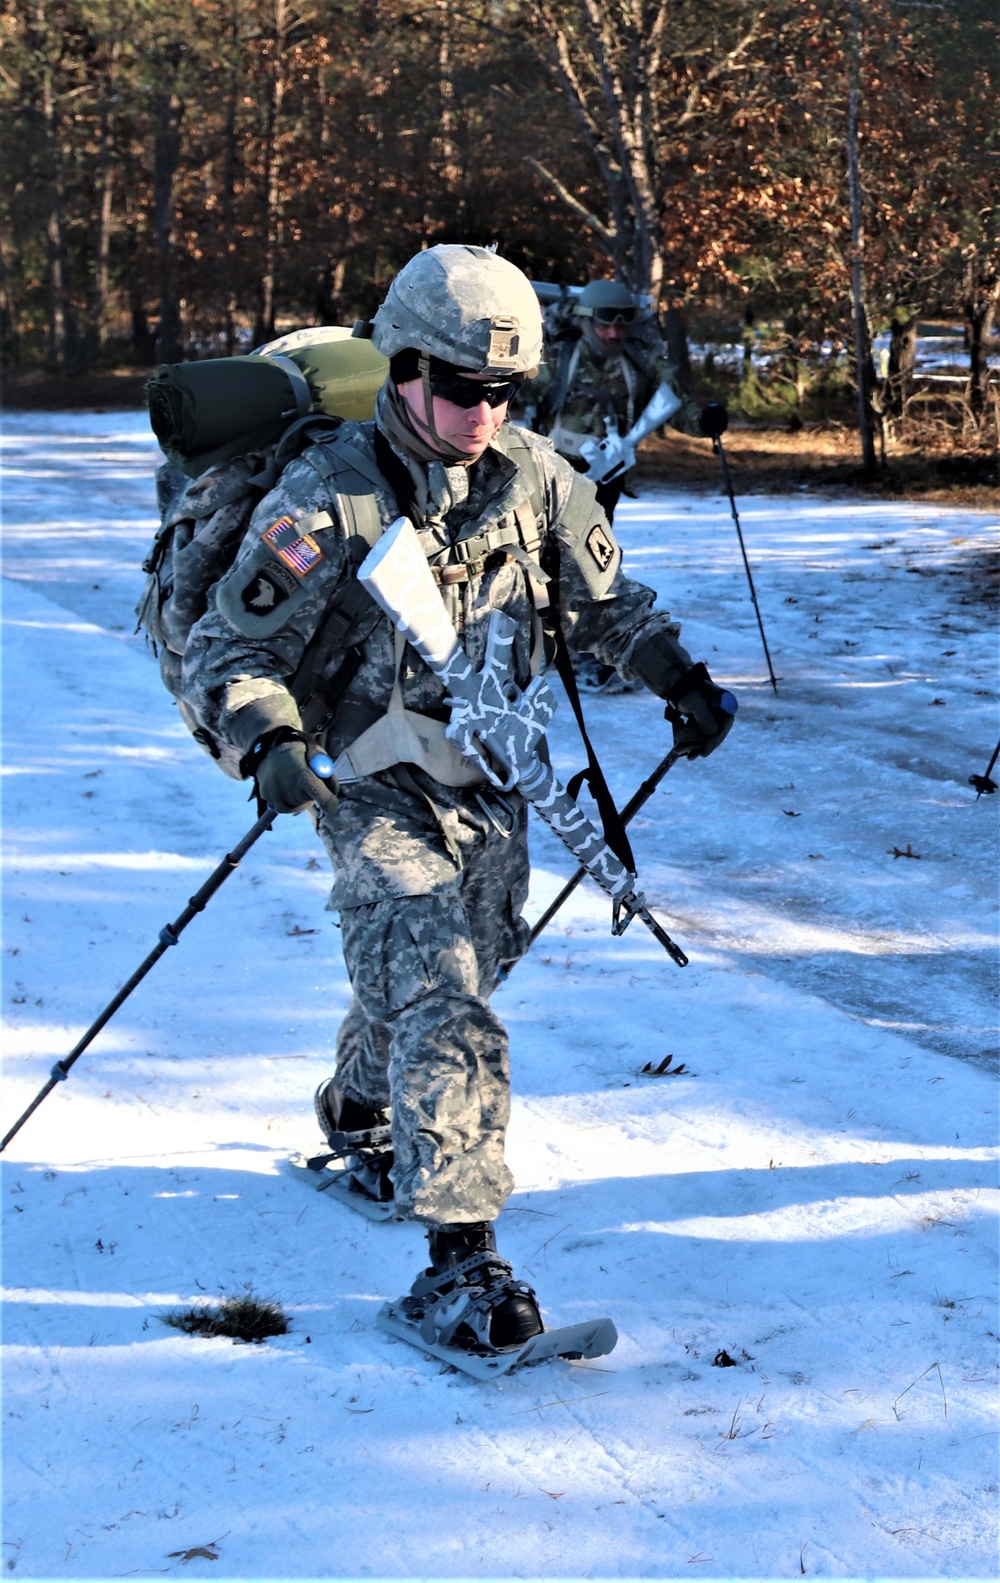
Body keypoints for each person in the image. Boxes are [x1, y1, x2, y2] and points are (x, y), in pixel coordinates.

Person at [181, 244, 734, 1359]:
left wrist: (676, 674)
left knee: (462, 967)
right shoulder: (330, 493)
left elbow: (603, 603)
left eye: (505, 389)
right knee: (445, 996)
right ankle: (462, 1261)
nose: (484, 411)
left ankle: (358, 1105)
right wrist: (269, 740)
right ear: (402, 368)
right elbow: (229, 649)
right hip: (367, 778)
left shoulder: (537, 475)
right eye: (461, 386)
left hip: (490, 773)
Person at [524, 279, 705, 691]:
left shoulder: (637, 362)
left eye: (620, 326)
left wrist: (703, 421)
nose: (612, 334)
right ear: (584, 321)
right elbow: (513, 390)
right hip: (551, 475)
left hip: (604, 480)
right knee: (542, 560)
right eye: (604, 325)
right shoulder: (558, 359)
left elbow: (674, 401)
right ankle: (541, 643)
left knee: (592, 565)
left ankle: (587, 653)